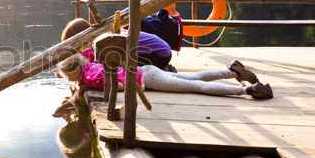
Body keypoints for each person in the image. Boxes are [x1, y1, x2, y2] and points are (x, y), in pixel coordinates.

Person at [57, 17, 273, 99]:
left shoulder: (96, 56)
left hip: (151, 70)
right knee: (193, 79)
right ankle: (233, 71)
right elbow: (90, 64)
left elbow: (120, 85)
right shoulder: (94, 58)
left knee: (195, 85)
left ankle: (246, 90)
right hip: (149, 71)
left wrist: (85, 86)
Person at [61, 17, 172, 69]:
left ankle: (162, 69)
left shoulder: (103, 39)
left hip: (160, 55)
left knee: (117, 66)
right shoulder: (101, 34)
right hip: (160, 51)